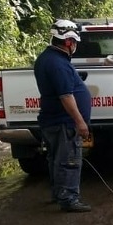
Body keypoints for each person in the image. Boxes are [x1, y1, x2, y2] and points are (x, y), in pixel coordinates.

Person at [33, 19, 92, 212]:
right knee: (68, 160)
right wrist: (80, 122)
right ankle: (68, 199)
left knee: (56, 159)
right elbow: (66, 96)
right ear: (68, 41)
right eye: (74, 42)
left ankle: (58, 193)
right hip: (63, 122)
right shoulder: (58, 63)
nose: (74, 46)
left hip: (53, 120)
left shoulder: (47, 58)